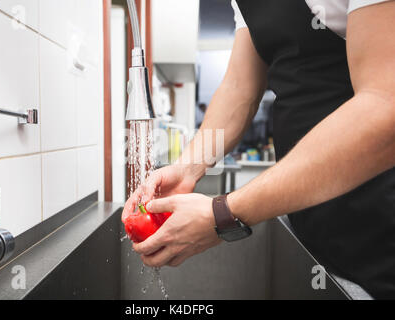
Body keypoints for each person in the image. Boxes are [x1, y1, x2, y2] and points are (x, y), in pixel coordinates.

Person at [122, 0, 395, 298]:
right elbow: (240, 89)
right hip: (318, 240)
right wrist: (189, 166)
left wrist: (223, 214)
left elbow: (385, 106)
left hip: (381, 238)